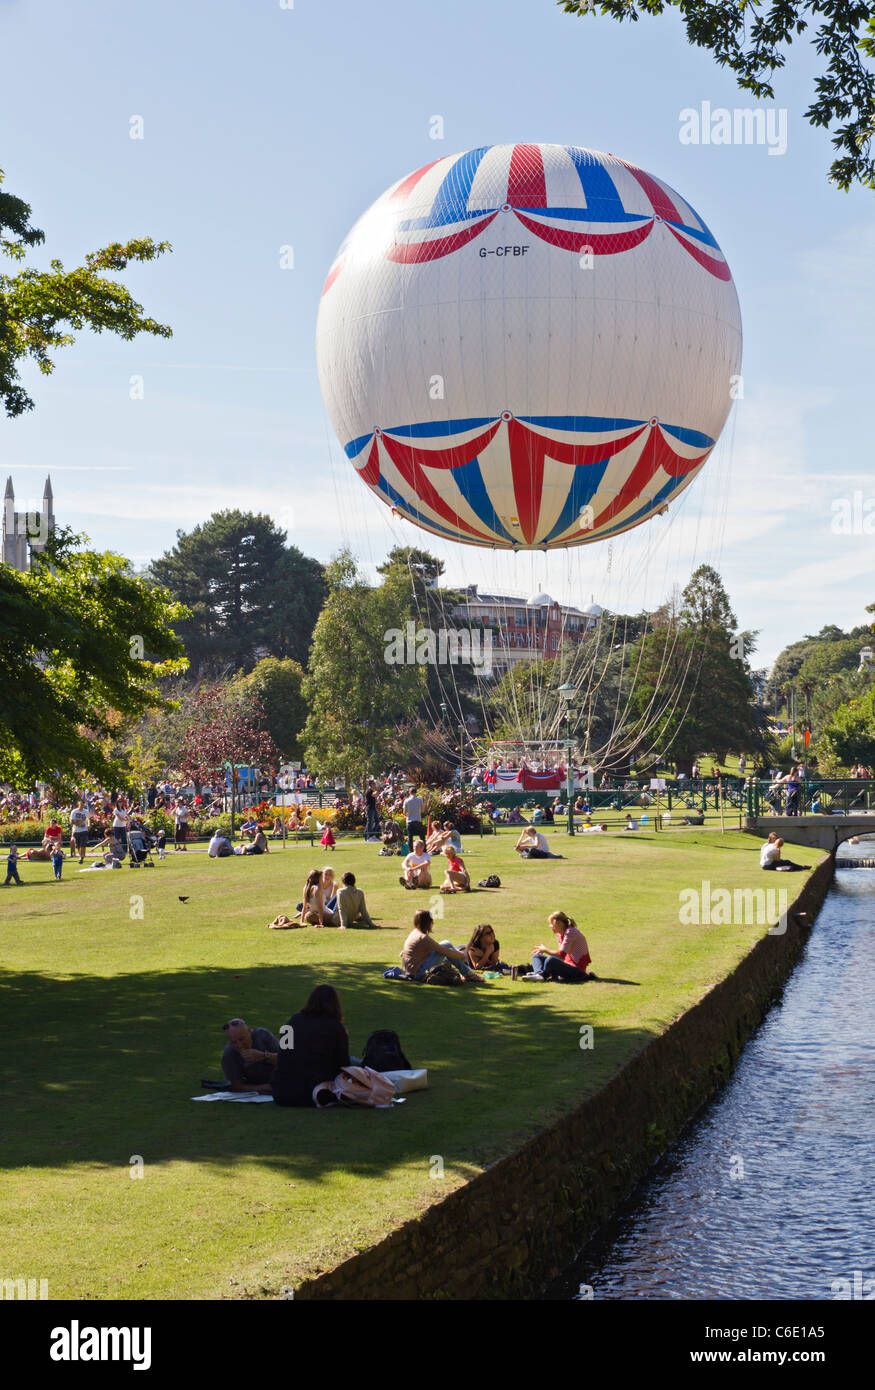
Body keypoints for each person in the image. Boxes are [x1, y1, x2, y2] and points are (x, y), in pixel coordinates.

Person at [272, 985, 351, 1107]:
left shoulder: (292, 1021)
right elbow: (344, 1065)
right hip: (311, 1091)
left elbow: (282, 1055)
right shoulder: (336, 1028)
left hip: (282, 1092)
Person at [401, 908, 482, 982]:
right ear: (428, 922)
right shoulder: (423, 937)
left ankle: (467, 972)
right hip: (418, 974)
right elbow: (444, 950)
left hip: (410, 971)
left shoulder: (414, 933)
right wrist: (462, 955)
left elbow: (403, 953)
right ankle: (468, 974)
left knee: (446, 946)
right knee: (446, 946)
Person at [524, 910, 594, 982]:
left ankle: (541, 975)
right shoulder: (561, 933)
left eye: (551, 924)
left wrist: (545, 950)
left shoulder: (571, 932)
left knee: (551, 960)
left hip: (577, 970)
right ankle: (539, 974)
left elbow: (560, 955)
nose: (550, 926)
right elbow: (561, 958)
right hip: (567, 964)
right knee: (537, 956)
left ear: (559, 923)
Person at [221, 1018, 280, 1094]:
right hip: (260, 1083)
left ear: (249, 1031)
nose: (239, 1045)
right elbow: (237, 1086)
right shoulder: (229, 1054)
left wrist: (263, 1056)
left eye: (242, 1039)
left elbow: (288, 1059)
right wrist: (265, 1087)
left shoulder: (262, 1035)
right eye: (234, 1042)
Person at [69, 799, 90, 863]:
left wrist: (89, 824)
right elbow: (71, 821)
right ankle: (81, 856)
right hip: (76, 830)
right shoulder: (74, 811)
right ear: (78, 804)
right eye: (80, 804)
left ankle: (81, 858)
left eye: (82, 804)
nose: (81, 805)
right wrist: (78, 823)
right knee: (78, 845)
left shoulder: (86, 811)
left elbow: (88, 819)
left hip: (84, 830)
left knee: (83, 844)